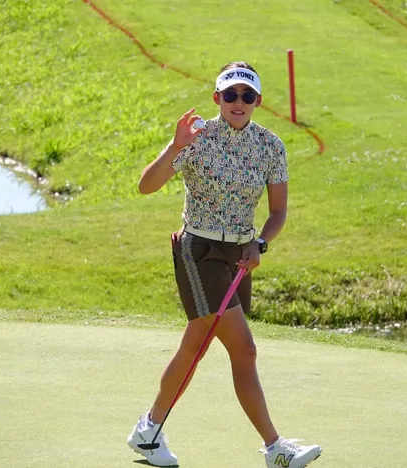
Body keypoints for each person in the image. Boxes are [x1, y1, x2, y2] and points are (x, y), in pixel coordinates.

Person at [126, 62, 323, 468]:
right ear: (217, 97)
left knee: (194, 347)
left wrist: (260, 243)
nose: (238, 102)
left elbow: (278, 212)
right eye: (230, 94)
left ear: (257, 101)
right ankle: (275, 448)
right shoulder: (195, 138)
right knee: (244, 350)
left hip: (238, 257)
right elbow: (146, 186)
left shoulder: (270, 146)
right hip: (199, 252)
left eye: (247, 95)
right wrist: (175, 147)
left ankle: (148, 430)